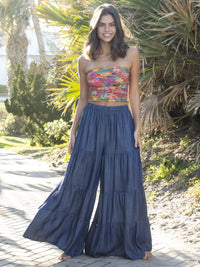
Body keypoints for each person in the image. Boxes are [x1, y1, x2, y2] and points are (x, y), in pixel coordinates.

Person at [23, 3, 154, 261]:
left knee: (126, 182)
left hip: (120, 120)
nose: (107, 29)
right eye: (102, 25)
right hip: (92, 121)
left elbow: (134, 94)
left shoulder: (131, 54)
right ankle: (70, 243)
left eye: (111, 24)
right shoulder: (85, 59)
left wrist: (138, 127)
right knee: (79, 181)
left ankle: (136, 243)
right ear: (95, 28)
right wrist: (73, 131)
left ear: (117, 27)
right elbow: (83, 99)